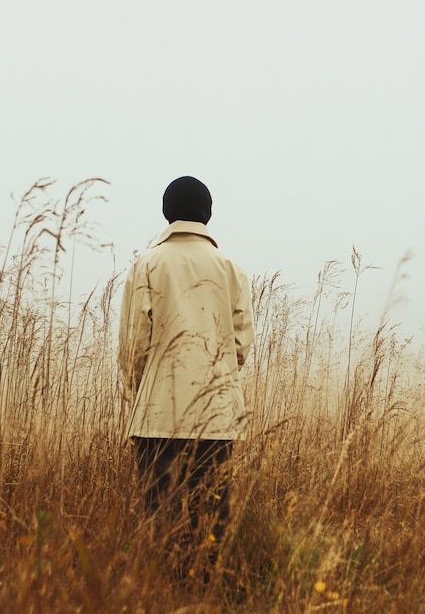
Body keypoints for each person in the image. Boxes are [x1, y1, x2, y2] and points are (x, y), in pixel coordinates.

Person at [118, 176, 255, 578]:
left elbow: (133, 347)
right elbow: (240, 344)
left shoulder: (147, 265)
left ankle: (163, 593)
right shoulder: (232, 269)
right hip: (216, 418)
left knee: (160, 520)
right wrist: (218, 379)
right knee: (211, 518)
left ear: (167, 213)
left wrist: (141, 391)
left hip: (157, 416)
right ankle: (204, 594)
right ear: (207, 215)